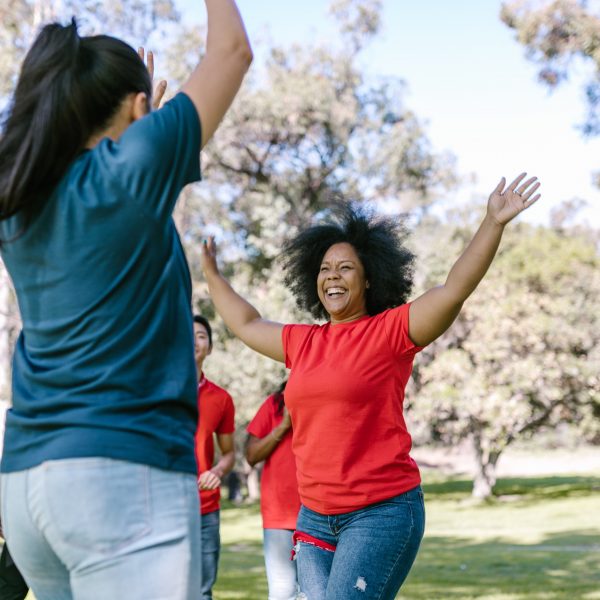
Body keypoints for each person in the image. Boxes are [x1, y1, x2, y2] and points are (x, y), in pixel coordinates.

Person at [0, 2, 251, 598]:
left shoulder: (22, 195)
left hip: (28, 484)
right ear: (140, 110)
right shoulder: (126, 173)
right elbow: (231, 52)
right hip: (120, 477)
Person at [200, 174, 541, 599]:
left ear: (368, 279)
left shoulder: (391, 332)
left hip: (380, 512)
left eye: (346, 268)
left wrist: (492, 223)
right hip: (314, 517)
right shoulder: (303, 343)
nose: (332, 276)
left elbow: (453, 290)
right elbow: (247, 322)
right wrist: (212, 273)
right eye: (324, 269)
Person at [193, 315, 236, 599]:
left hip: (205, 509)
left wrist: (218, 471)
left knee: (202, 592)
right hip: (162, 505)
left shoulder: (221, 399)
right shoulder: (154, 389)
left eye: (200, 335)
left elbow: (229, 453)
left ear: (209, 347)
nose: (193, 341)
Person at [246, 381, 300, 600]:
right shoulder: (274, 404)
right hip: (280, 514)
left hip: (322, 513)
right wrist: (284, 425)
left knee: (319, 592)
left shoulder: (328, 399)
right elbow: (251, 455)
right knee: (283, 591)